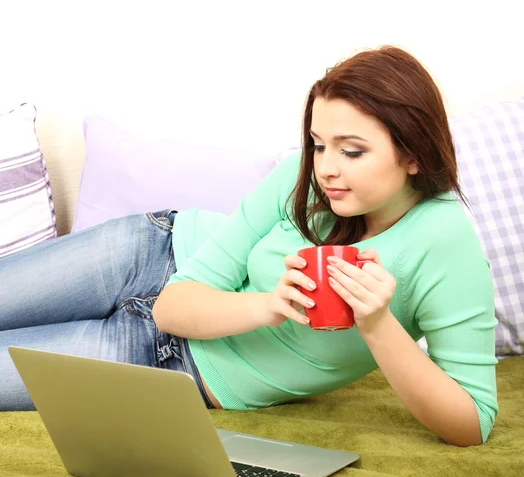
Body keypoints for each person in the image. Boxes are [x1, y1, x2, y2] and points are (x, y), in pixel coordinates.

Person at [0, 45, 498, 447]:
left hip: (170, 365)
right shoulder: (300, 178)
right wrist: (272, 304)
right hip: (151, 251)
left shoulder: (445, 243)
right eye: (319, 144)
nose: (325, 168)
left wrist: (377, 324)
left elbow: (472, 423)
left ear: (413, 153)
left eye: (351, 151)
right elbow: (174, 305)